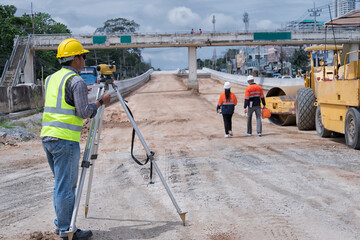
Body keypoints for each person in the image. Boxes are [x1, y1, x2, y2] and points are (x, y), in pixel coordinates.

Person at [40, 38, 111, 240]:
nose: (84, 60)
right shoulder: (77, 81)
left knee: (60, 185)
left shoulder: (51, 78)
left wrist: (78, 94)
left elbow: (62, 100)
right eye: (83, 56)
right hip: (64, 140)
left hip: (48, 137)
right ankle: (66, 229)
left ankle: (61, 224)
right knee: (66, 187)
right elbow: (84, 113)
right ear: (77, 58)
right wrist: (100, 101)